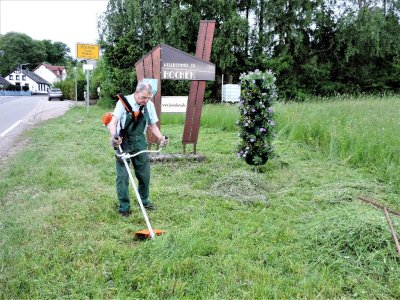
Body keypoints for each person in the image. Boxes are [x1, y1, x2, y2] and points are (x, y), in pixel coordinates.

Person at [107, 81, 168, 217]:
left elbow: (152, 126)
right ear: (137, 92)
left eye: (148, 98)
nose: (146, 100)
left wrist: (161, 138)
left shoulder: (149, 105)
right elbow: (113, 122)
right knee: (122, 177)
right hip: (123, 141)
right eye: (144, 97)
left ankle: (144, 201)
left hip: (140, 141)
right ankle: (124, 207)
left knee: (144, 175)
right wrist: (114, 136)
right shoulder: (123, 102)